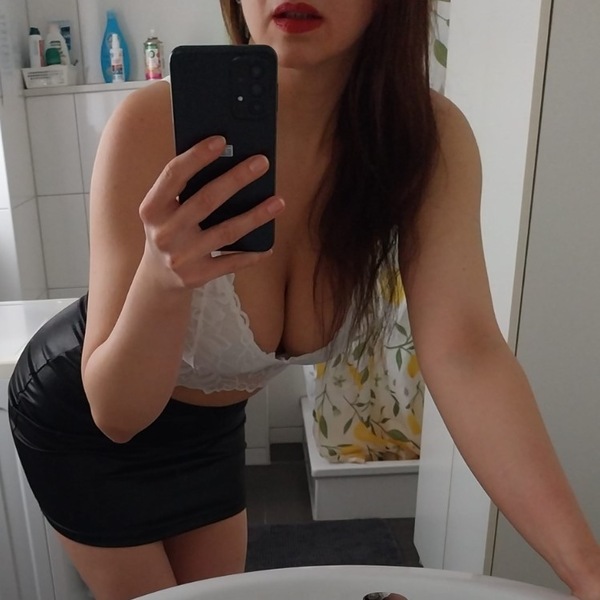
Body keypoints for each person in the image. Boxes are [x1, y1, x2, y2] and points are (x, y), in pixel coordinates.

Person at [8, 1, 600, 599]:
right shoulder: (149, 126)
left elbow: (467, 353)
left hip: (211, 429)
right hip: (85, 421)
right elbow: (116, 415)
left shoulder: (422, 141)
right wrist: (161, 280)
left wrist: (587, 570)